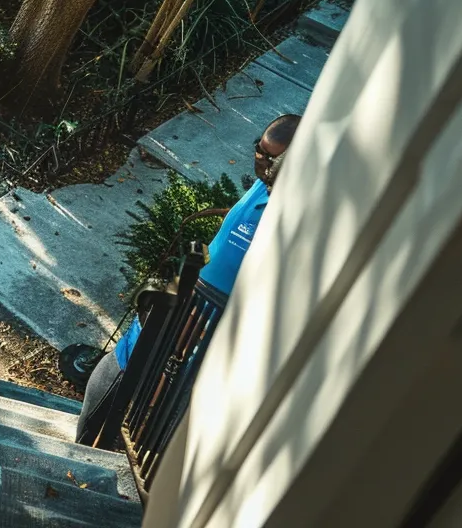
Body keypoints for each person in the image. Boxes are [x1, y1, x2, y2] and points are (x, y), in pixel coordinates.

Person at [75, 114, 302, 440]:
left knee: (153, 417)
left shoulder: (296, 211)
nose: (262, 162)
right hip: (180, 305)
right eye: (260, 151)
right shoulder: (260, 186)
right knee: (106, 382)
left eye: (273, 158)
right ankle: (82, 454)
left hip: (208, 330)